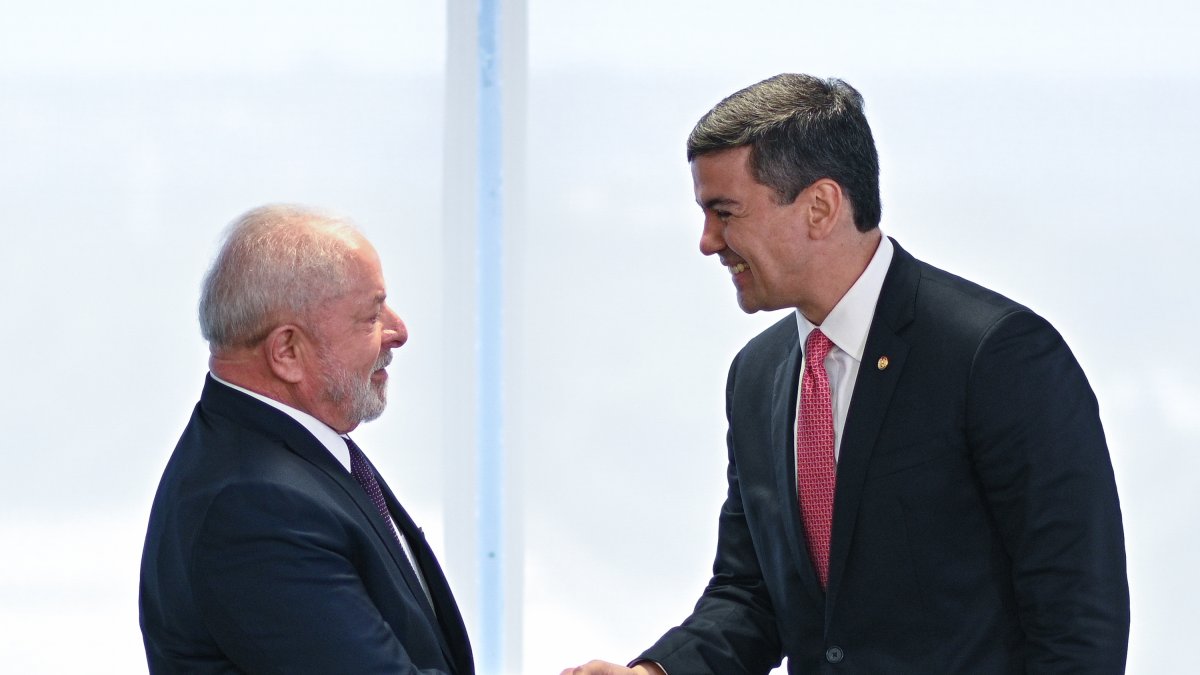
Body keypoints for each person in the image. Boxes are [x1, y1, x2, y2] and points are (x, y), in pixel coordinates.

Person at [562, 74, 1129, 674]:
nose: (708, 242)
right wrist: (654, 673)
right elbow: (752, 595)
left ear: (820, 206)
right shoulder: (757, 376)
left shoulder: (996, 354)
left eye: (724, 213)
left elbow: (1077, 620)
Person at [140, 205, 473, 674]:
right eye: (371, 315)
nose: (398, 332)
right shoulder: (255, 505)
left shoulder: (286, 451)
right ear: (288, 352)